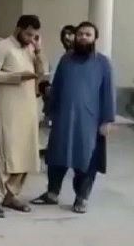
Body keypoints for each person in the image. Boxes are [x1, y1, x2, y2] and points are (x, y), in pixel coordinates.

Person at [30, 21, 114, 214]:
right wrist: (49, 112)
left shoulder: (103, 63)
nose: (83, 37)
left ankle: (81, 197)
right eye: (80, 34)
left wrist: (107, 120)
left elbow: (108, 93)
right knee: (56, 156)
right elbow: (57, 87)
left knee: (86, 160)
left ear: (94, 39)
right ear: (75, 37)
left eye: (88, 34)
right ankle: (52, 193)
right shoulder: (66, 60)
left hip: (89, 122)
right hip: (63, 118)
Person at [0, 14, 47, 218]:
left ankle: (11, 195)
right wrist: (18, 77)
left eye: (35, 35)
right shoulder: (1, 46)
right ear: (18, 29)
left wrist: (38, 51)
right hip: (9, 109)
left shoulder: (31, 48)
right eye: (28, 34)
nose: (31, 38)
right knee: (5, 153)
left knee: (26, 152)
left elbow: (42, 71)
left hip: (29, 108)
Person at [39, 24, 76, 157]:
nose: (67, 37)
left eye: (70, 34)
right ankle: (53, 147)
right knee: (55, 123)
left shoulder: (78, 57)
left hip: (70, 96)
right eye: (64, 34)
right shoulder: (61, 56)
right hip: (56, 95)